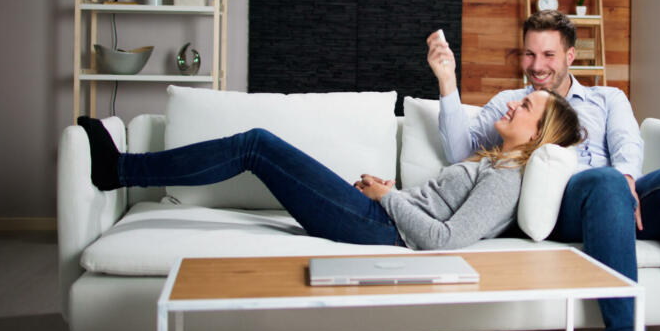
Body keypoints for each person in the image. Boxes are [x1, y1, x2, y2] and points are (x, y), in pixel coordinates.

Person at [427, 11, 660, 331]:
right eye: (530, 54)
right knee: (604, 181)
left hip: (620, 198)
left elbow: (628, 144)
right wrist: (447, 82)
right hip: (566, 207)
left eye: (548, 55)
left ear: (569, 56)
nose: (537, 66)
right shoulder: (510, 104)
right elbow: (459, 151)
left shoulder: (607, 98)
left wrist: (628, 178)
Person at [75, 88, 583, 251]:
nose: (514, 104)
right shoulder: (495, 164)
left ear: (539, 134)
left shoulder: (509, 179)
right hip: (376, 212)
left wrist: (387, 198)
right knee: (257, 147)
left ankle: (119, 169)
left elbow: (445, 240)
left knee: (256, 146)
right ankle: (121, 168)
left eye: (527, 107)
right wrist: (386, 191)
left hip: (379, 225)